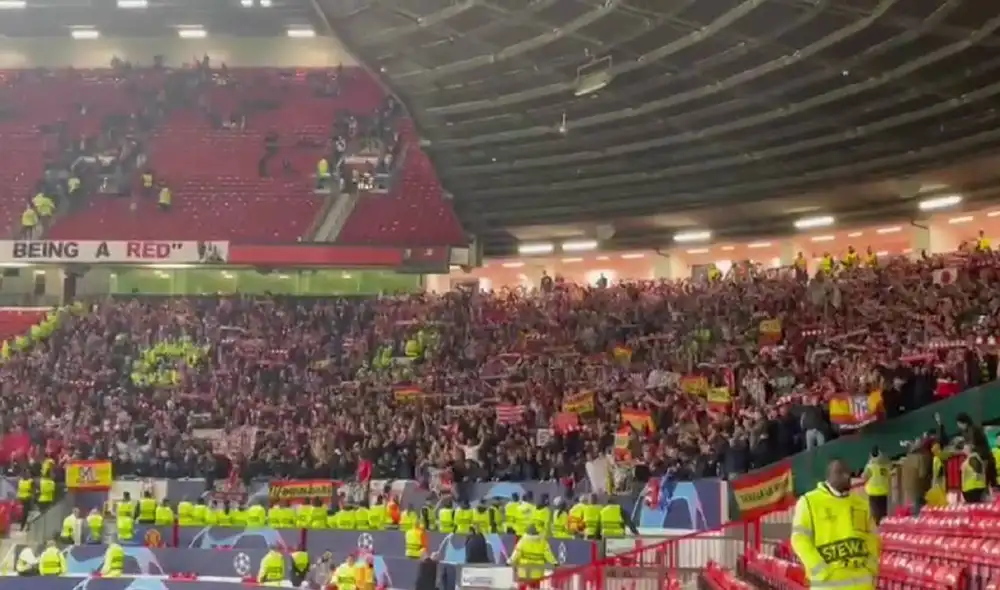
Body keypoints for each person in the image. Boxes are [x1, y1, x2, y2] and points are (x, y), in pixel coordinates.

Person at [791, 459, 879, 590]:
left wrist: (870, 568)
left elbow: (872, 538)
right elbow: (799, 539)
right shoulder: (809, 502)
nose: (846, 477)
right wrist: (820, 569)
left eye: (848, 473)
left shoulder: (861, 503)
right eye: (840, 473)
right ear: (829, 476)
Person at [862, 446, 890, 524]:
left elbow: (864, 477)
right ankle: (884, 523)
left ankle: (878, 524)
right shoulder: (885, 465)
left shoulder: (869, 466)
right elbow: (888, 475)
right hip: (883, 490)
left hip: (873, 491)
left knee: (875, 510)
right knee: (883, 510)